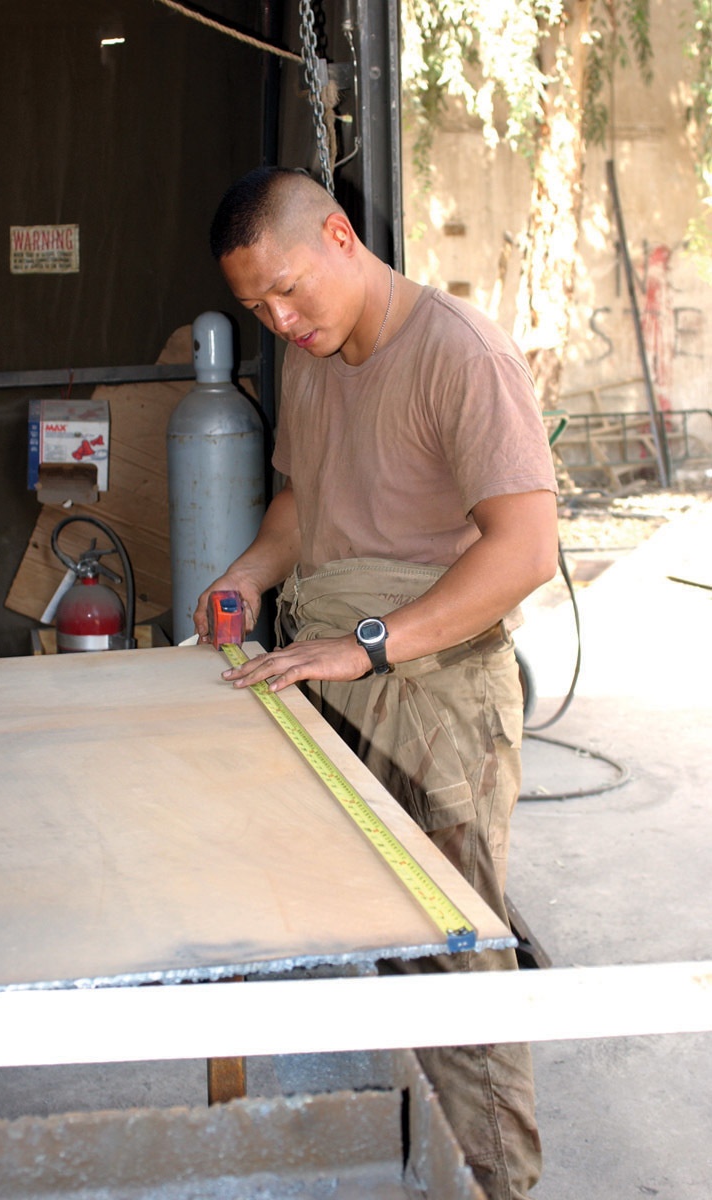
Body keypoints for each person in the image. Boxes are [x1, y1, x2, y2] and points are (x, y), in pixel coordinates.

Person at [193, 165, 559, 1200]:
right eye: (254, 306)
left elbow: (524, 549)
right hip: (340, 670)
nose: (278, 317)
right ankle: (423, 1166)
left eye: (287, 290)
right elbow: (304, 503)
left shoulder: (458, 351)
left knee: (455, 958)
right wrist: (246, 574)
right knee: (386, 951)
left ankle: (496, 1183)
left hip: (433, 689)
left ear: (340, 237)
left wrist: (371, 642)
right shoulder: (310, 358)